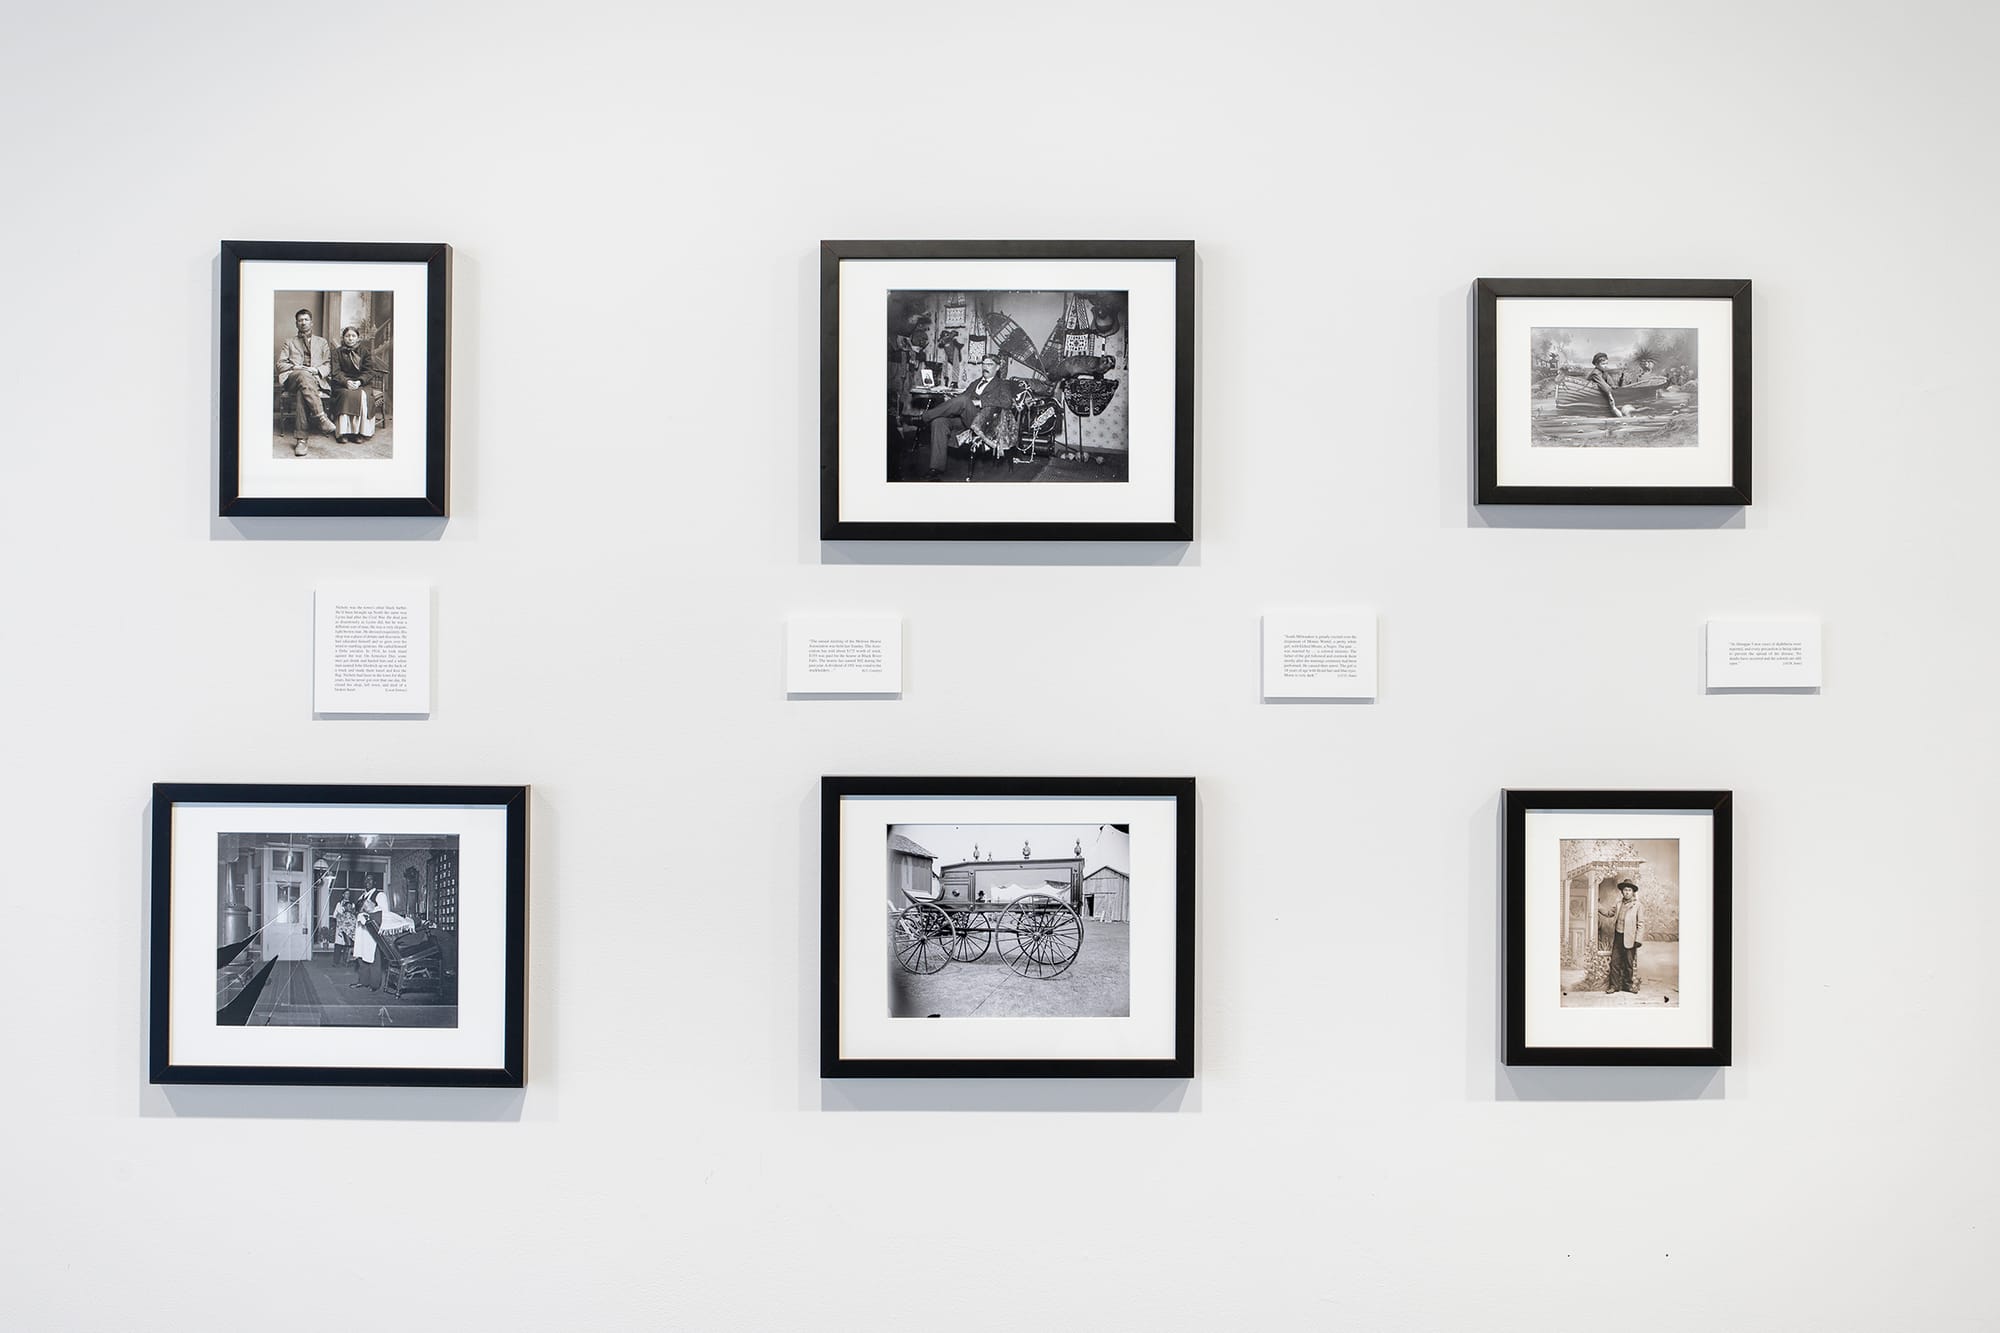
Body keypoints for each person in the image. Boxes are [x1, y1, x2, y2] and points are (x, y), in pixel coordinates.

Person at [915, 353, 1005, 479]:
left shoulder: (1002, 384)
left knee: (963, 401)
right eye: (984, 364)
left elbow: (1007, 402)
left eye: (989, 364)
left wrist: (980, 402)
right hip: (967, 419)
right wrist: (950, 399)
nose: (985, 367)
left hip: (984, 422)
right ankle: (936, 467)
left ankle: (923, 418)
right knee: (939, 421)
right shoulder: (975, 382)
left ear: (997, 367)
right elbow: (962, 398)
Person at [277, 308, 338, 456]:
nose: (303, 322)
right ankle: (321, 417)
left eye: (306, 320)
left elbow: (327, 364)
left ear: (312, 323)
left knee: (302, 392)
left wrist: (316, 370)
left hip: (314, 379)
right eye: (300, 320)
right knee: (303, 376)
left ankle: (301, 440)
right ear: (296, 324)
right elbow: (280, 364)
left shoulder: (322, 342)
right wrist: (296, 367)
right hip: (293, 378)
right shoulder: (289, 342)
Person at [331, 326, 375, 443]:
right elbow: (336, 372)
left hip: (362, 383)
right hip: (342, 383)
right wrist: (346, 382)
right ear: (343, 338)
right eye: (347, 336)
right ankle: (343, 432)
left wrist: (360, 381)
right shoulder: (336, 353)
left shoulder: (365, 351)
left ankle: (361, 432)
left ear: (357, 338)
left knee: (362, 395)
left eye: (353, 336)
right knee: (346, 395)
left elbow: (369, 371)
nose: (350, 338)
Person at [1605, 880, 1645, 994]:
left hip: (1630, 938)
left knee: (1628, 963)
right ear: (1622, 892)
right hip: (1618, 936)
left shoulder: (1638, 906)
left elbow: (1641, 924)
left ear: (1633, 892)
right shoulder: (1618, 904)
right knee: (1615, 962)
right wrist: (1597, 906)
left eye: (1629, 890)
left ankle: (1628, 986)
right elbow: (1609, 913)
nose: (1627, 892)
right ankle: (1614, 986)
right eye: (1625, 890)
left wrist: (1638, 940)